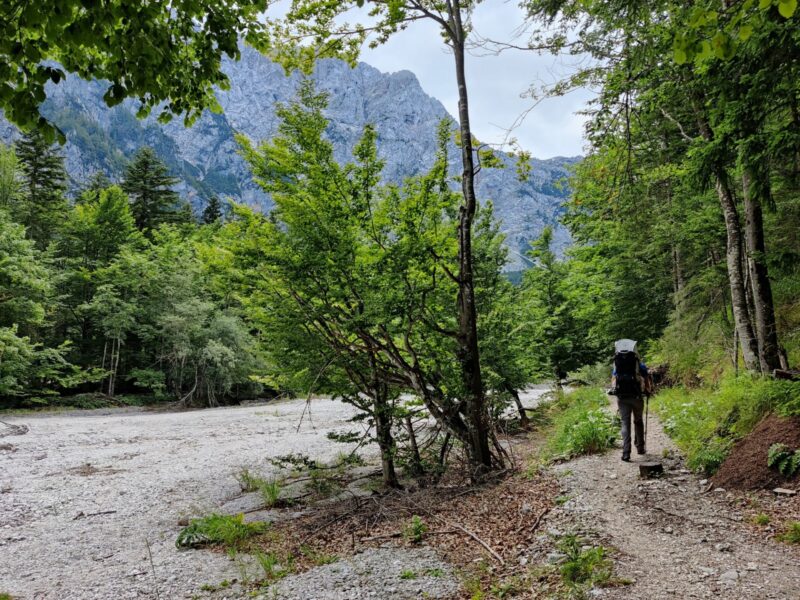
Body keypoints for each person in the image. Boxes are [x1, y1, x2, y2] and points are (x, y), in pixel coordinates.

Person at [610, 339, 653, 462]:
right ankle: (640, 448)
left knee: (625, 423)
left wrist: (614, 390)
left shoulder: (617, 362)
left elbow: (614, 378)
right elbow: (646, 378)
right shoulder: (638, 363)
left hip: (622, 398)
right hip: (637, 397)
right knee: (638, 421)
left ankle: (626, 452)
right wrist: (648, 390)